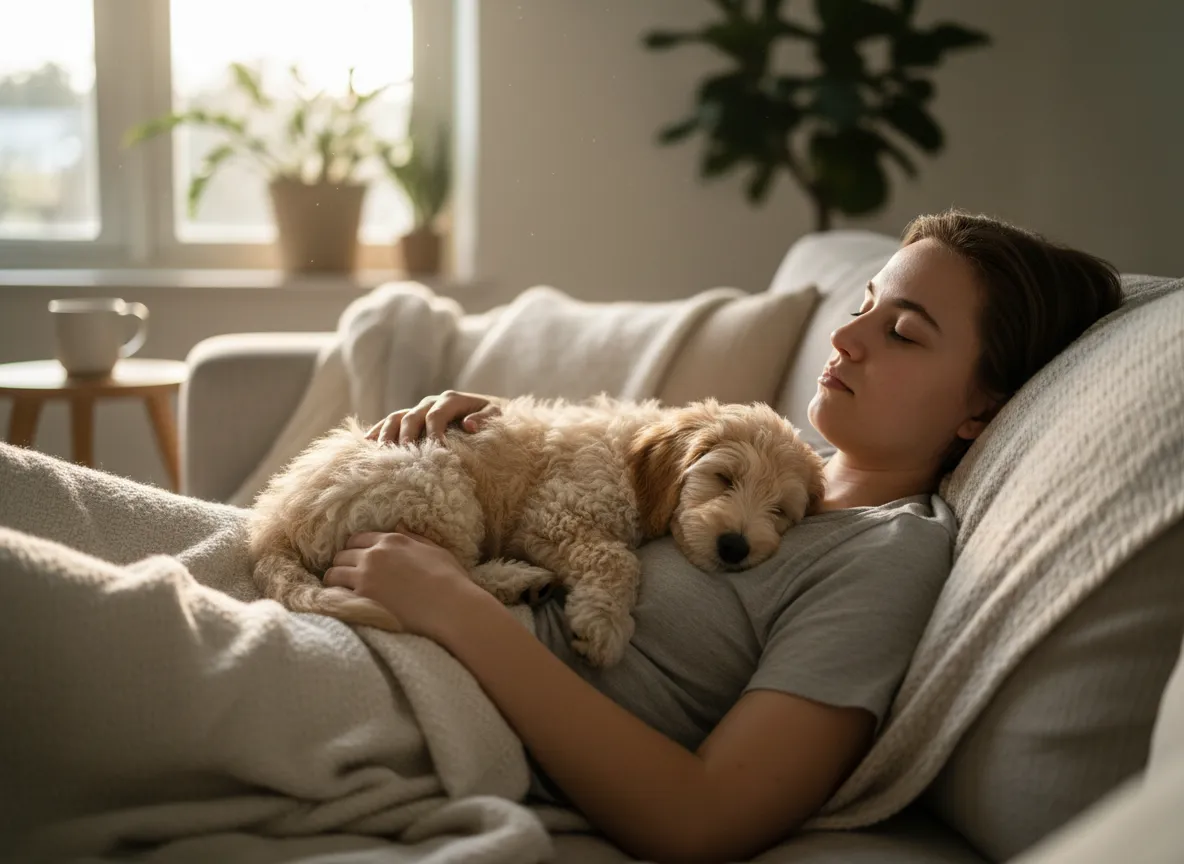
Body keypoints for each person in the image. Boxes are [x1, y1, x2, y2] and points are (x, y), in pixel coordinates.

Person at [319, 209, 1123, 863]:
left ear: (980, 409)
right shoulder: (766, 456)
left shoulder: (886, 559)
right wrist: (502, 442)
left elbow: (700, 819)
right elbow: (598, 482)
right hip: (374, 604)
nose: (846, 339)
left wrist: (455, 609)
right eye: (862, 306)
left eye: (904, 332)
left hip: (416, 683)